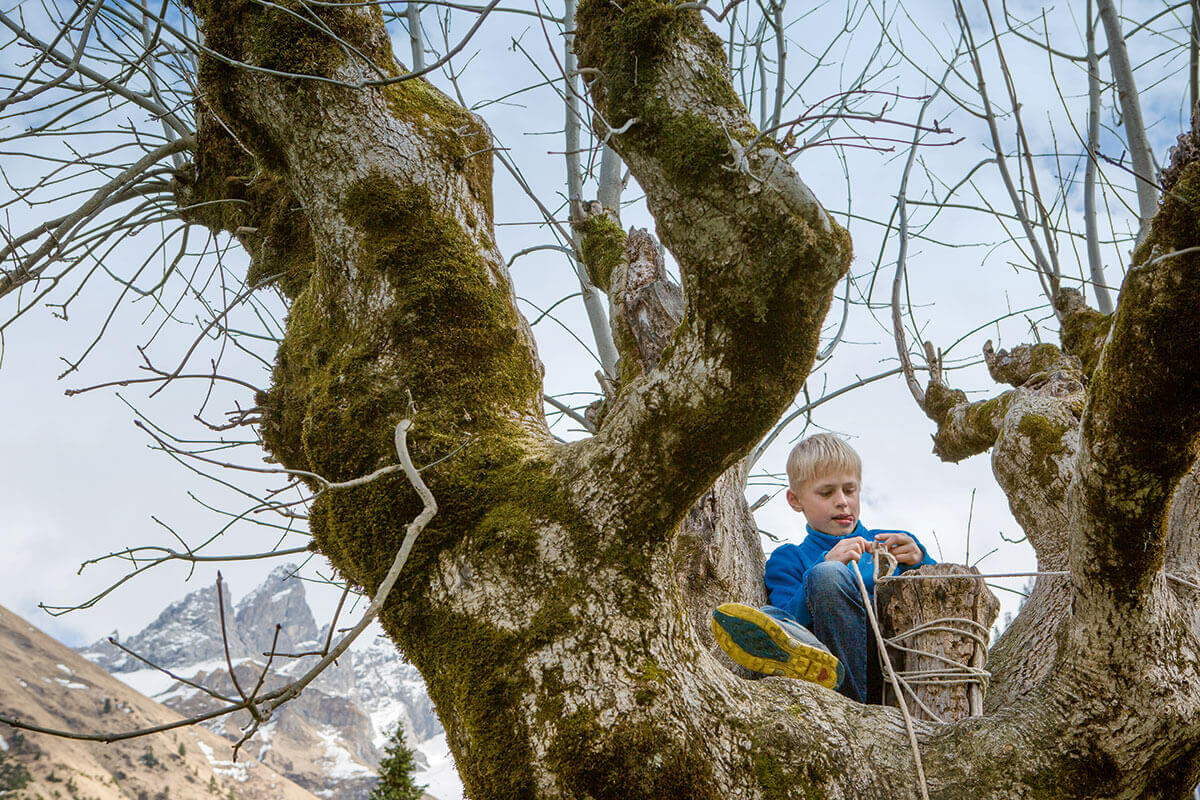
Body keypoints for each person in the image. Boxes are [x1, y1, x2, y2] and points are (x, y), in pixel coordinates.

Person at [711, 433, 935, 702]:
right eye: (826, 493)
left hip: (895, 674)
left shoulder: (893, 542)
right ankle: (826, 673)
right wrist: (824, 566)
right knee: (780, 611)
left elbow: (947, 597)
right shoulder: (789, 558)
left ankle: (842, 689)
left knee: (827, 576)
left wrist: (921, 560)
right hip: (838, 674)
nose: (842, 501)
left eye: (850, 490)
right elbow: (789, 615)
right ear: (795, 500)